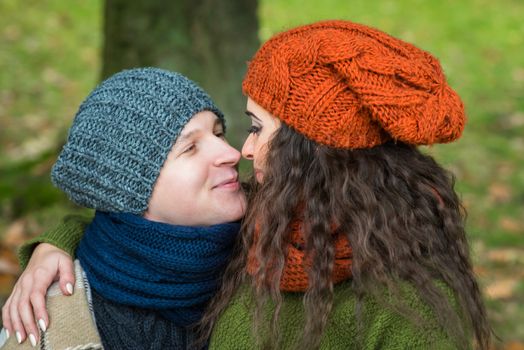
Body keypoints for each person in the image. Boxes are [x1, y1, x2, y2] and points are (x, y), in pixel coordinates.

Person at [3, 20, 491, 349]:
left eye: (250, 128)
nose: (240, 150)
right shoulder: (268, 221)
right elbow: (126, 214)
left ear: (314, 150)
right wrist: (55, 246)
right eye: (190, 147)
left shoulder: (403, 306)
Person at [0, 67, 246, 349]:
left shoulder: (275, 247)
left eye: (219, 133)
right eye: (190, 148)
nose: (231, 153)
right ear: (128, 192)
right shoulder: (49, 324)